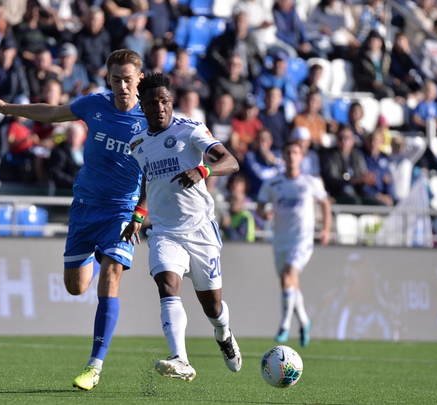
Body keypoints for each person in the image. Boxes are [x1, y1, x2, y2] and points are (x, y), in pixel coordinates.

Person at [0, 49, 148, 391]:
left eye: (128, 80)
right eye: (116, 79)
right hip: (85, 207)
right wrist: (9, 108)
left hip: (121, 211)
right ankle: (97, 254)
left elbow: (157, 170)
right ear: (108, 79)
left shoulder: (150, 120)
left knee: (111, 274)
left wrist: (141, 212)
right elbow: (54, 112)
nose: (122, 86)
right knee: (76, 287)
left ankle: (95, 365)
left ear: (140, 79)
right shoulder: (94, 105)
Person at [121, 73, 242, 382]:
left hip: (200, 230)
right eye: (152, 103)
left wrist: (204, 169)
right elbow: (151, 182)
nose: (159, 107)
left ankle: (224, 333)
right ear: (143, 106)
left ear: (171, 101)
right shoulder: (138, 144)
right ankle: (181, 358)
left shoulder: (191, 130)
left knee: (213, 307)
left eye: (164, 101)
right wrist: (138, 215)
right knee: (167, 283)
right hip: (164, 231)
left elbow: (231, 162)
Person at [257, 139, 332, 347]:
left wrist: (326, 229)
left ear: (301, 157)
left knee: (289, 275)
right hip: (281, 239)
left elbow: (325, 203)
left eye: (295, 153)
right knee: (289, 283)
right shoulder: (272, 183)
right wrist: (264, 213)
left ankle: (284, 326)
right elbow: (261, 205)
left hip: (302, 239)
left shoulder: (310, 182)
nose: (291, 156)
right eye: (288, 152)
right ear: (283, 156)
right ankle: (305, 322)